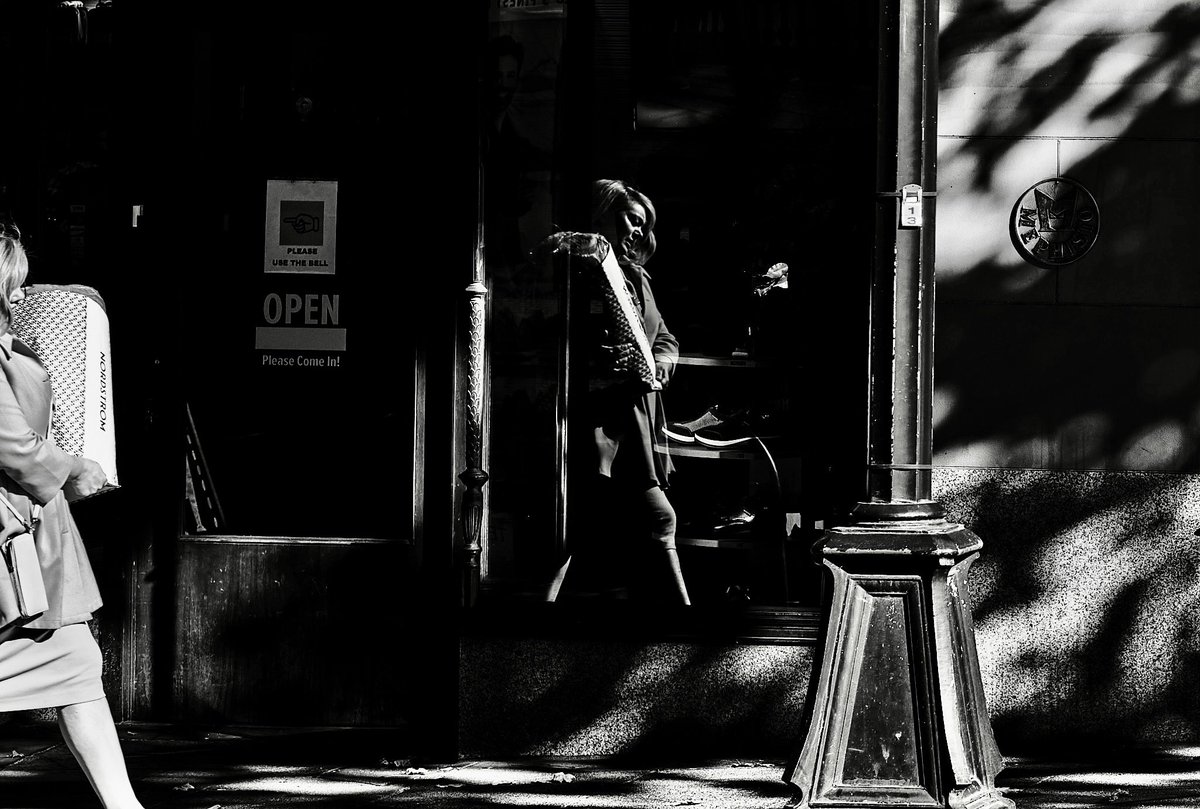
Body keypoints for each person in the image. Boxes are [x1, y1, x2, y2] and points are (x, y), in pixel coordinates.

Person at [0, 223, 146, 809]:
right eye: (11, 285)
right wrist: (73, 469)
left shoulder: (10, 345)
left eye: (22, 285)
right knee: (78, 664)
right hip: (19, 538)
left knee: (80, 664)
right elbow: (16, 448)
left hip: (33, 539)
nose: (19, 296)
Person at [542, 179, 691, 605]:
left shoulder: (637, 277)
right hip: (603, 417)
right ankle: (686, 619)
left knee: (599, 521)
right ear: (603, 213)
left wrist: (661, 362)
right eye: (631, 220)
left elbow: (664, 336)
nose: (637, 232)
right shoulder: (578, 272)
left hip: (637, 418)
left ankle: (545, 609)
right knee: (652, 519)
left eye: (643, 225)